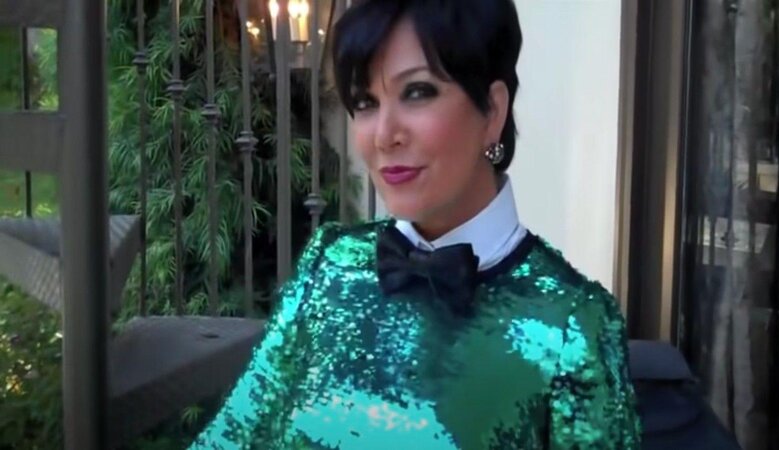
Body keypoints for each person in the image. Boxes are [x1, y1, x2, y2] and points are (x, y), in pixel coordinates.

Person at [191, 0, 641, 448]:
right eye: (366, 102)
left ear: (492, 111)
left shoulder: (572, 323)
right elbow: (231, 437)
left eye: (418, 92)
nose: (384, 135)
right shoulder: (330, 263)